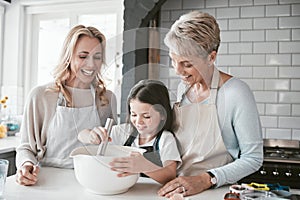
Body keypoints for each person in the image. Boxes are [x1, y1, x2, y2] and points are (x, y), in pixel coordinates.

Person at [157, 11, 263, 198]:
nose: (178, 71)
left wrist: (206, 179)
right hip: (178, 190)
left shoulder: (236, 92)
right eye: (174, 61)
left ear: (211, 57)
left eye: (187, 64)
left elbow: (253, 158)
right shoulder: (184, 88)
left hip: (216, 192)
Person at [16, 25, 117, 186]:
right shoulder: (41, 96)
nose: (91, 65)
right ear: (68, 57)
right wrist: (25, 165)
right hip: (47, 183)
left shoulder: (107, 98)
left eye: (97, 57)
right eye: (83, 56)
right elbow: (26, 147)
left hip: (92, 184)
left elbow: (112, 148)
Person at [78, 80, 182, 184]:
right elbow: (81, 135)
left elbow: (170, 175)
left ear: (163, 115)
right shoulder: (122, 132)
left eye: (146, 116)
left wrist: (145, 166)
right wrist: (91, 135)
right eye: (134, 115)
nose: (138, 121)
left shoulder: (165, 139)